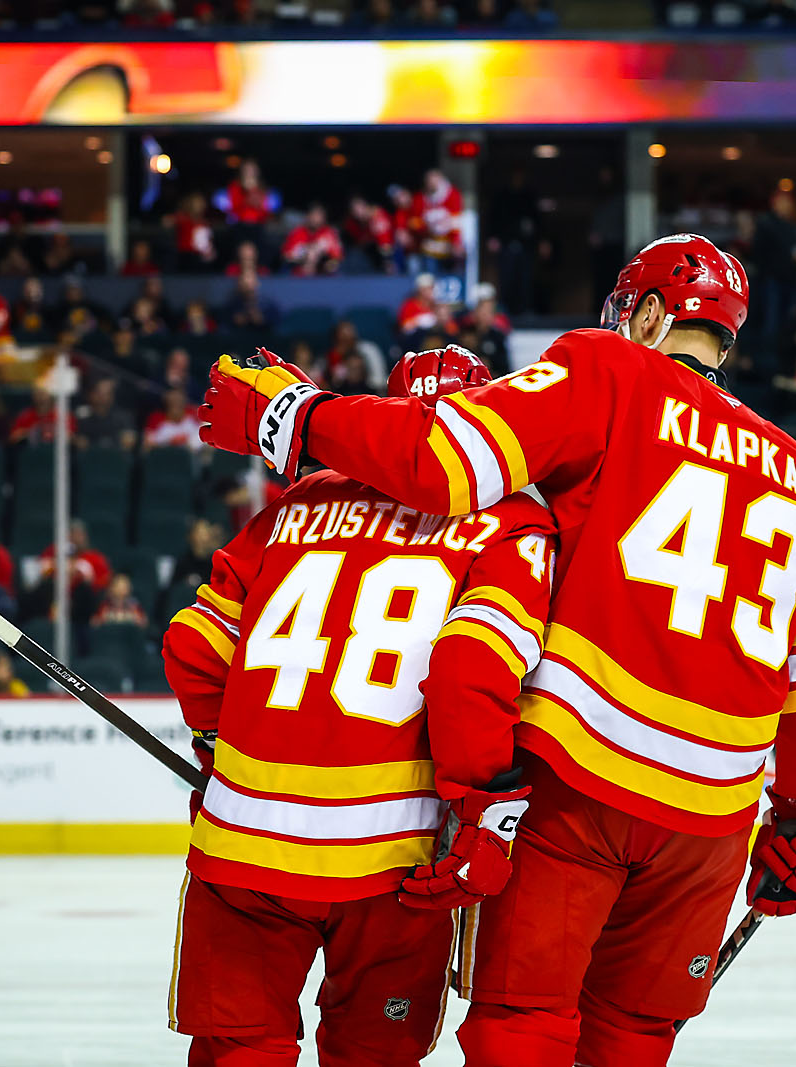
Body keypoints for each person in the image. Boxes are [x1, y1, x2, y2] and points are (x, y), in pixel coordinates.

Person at [199, 233, 796, 1062]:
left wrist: (298, 418)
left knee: (521, 1023)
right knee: (634, 1035)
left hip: (577, 785)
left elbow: (442, 462)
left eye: (628, 314)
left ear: (652, 316)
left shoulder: (605, 369)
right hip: (711, 823)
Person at [162, 346, 556, 1066]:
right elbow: (472, 672)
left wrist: (221, 748)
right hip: (395, 857)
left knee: (241, 1049)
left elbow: (193, 643)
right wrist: (481, 813)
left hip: (246, 837)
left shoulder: (298, 501)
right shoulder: (512, 521)